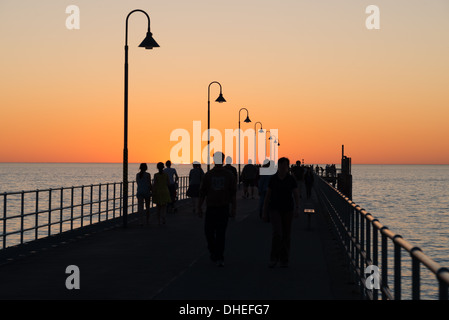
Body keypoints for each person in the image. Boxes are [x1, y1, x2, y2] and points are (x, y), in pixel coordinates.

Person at [198, 152, 237, 267]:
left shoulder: (229, 175)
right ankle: (214, 251)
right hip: (211, 207)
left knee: (220, 233)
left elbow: (233, 194)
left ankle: (219, 256)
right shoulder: (208, 175)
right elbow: (202, 192)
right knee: (208, 232)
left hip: (223, 207)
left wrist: (233, 208)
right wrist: (199, 207)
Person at [263, 157, 300, 268]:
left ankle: (284, 259)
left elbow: (296, 194)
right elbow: (268, 195)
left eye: (285, 166)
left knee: (286, 234)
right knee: (277, 233)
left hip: (288, 209)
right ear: (278, 166)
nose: (283, 168)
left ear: (288, 167)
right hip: (274, 209)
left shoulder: (291, 179)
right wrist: (265, 212)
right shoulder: (273, 179)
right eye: (281, 166)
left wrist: (297, 208)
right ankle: (274, 258)